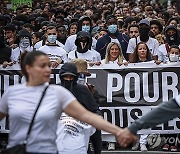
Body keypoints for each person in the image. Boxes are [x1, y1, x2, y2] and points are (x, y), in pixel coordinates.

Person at [0, 51, 125, 154]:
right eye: (42, 66)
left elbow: (89, 116)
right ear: (29, 69)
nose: (48, 70)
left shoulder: (58, 92)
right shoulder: (11, 93)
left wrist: (118, 131)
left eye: (49, 66)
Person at [56, 62, 99, 154]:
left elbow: (94, 109)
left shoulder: (83, 90)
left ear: (75, 77)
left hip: (80, 125)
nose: (68, 80)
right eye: (65, 77)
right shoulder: (55, 90)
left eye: (71, 77)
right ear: (61, 77)